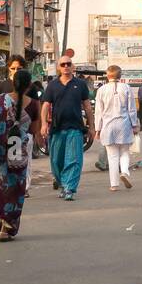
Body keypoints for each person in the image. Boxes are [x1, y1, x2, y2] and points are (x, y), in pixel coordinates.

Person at [0, 68, 40, 241]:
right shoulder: (34, 104)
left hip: (1, 151)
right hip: (19, 153)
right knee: (17, 189)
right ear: (29, 85)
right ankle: (8, 224)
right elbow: (34, 130)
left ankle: (1, 222)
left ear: (13, 83)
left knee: (1, 186)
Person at [41, 53, 94, 201]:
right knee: (56, 161)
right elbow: (45, 106)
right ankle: (62, 182)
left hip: (75, 128)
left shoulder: (80, 84)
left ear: (72, 67)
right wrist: (44, 124)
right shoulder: (52, 85)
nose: (66, 67)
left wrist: (91, 126)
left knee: (74, 159)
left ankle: (69, 188)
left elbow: (87, 107)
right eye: (63, 64)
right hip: (57, 128)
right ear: (58, 67)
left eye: (68, 64)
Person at [94, 66, 139, 192]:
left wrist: (97, 129)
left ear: (107, 76)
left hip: (108, 126)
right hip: (123, 124)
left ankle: (114, 184)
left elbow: (98, 112)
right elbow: (131, 109)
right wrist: (134, 124)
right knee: (124, 152)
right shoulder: (126, 88)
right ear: (120, 76)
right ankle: (124, 172)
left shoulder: (101, 90)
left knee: (112, 155)